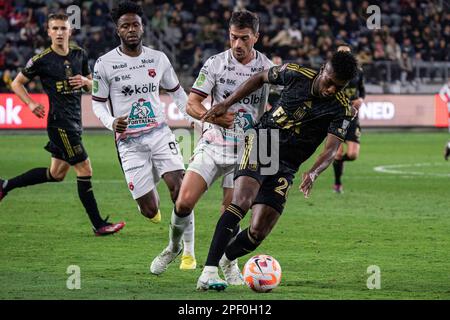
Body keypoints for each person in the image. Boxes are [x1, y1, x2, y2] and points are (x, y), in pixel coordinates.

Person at [197, 50, 358, 290]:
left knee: (258, 231)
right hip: (264, 140)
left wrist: (313, 172)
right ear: (323, 68)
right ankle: (208, 272)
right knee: (241, 201)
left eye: (339, 86)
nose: (332, 89)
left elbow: (331, 149)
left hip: (288, 165)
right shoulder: (295, 73)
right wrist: (226, 103)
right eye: (330, 82)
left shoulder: (342, 109)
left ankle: (226, 260)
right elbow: (260, 77)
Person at [150, 10, 273, 281]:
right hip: (213, 144)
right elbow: (192, 103)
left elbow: (275, 106)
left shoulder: (267, 67)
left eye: (244, 38)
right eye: (233, 37)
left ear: (256, 37)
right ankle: (173, 247)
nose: (237, 44)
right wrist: (214, 115)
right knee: (183, 203)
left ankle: (228, 264)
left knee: (231, 211)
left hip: (246, 151)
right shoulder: (215, 64)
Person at [0, 13, 125, 236]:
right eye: (55, 28)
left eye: (63, 28)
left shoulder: (80, 54)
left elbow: (93, 86)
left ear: (70, 31)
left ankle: (5, 186)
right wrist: (29, 104)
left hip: (75, 121)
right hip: (60, 125)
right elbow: (17, 83)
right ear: (48, 32)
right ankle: (99, 225)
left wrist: (86, 82)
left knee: (56, 174)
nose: (59, 32)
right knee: (85, 168)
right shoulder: (42, 60)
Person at [91, 2, 191, 239]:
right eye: (125, 26)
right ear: (118, 30)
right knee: (150, 210)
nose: (131, 29)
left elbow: (177, 93)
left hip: (159, 133)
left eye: (135, 24)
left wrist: (194, 119)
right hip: (129, 142)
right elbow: (97, 103)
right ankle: (148, 190)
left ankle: (180, 244)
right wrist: (112, 122)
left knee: (180, 188)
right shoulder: (104, 63)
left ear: (143, 27)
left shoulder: (158, 58)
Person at [332, 44, 365, 193]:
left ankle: (337, 161)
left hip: (352, 117)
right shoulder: (330, 72)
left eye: (346, 53)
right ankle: (338, 183)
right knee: (338, 152)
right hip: (337, 116)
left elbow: (362, 90)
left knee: (352, 155)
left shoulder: (358, 72)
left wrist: (361, 100)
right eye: (341, 53)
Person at [439, 78, 450, 159]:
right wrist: (446, 99)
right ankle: (448, 147)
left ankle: (448, 147)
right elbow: (441, 94)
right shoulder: (446, 87)